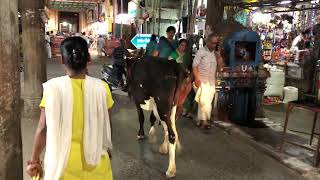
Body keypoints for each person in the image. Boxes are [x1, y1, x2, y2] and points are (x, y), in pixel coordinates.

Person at [26, 37, 114, 180]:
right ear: (88, 59)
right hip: (98, 166)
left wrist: (34, 160)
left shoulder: (53, 88)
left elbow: (42, 129)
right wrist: (108, 149)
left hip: (62, 169)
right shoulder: (102, 88)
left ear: (62, 61)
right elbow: (108, 124)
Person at [193, 33, 224, 129]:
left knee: (206, 102)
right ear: (207, 42)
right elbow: (195, 66)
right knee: (204, 102)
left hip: (211, 82)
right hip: (202, 81)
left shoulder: (216, 54)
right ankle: (205, 121)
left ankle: (200, 120)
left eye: (215, 43)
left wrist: (219, 57)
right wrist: (197, 78)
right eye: (212, 43)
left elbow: (220, 69)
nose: (214, 45)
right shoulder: (201, 52)